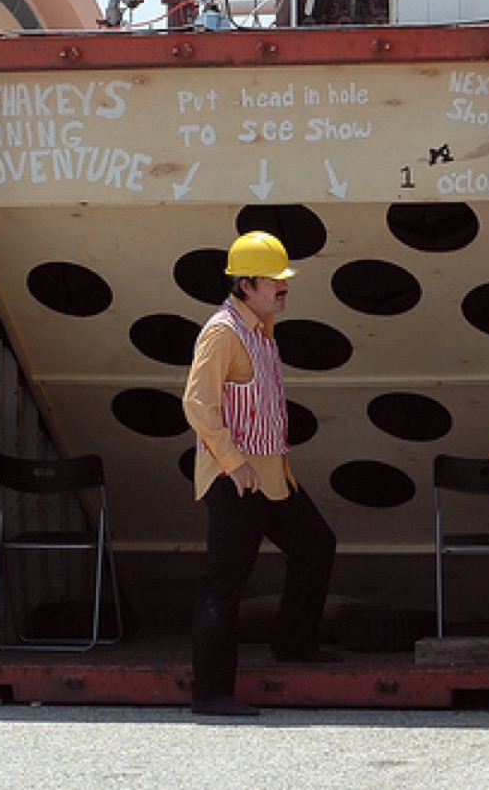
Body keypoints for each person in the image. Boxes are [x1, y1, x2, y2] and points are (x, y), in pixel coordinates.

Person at [183, 231, 339, 717]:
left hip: (271, 475)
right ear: (246, 284)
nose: (283, 287)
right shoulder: (223, 332)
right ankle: (210, 693)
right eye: (274, 280)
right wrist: (234, 463)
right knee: (224, 584)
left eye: (283, 279)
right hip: (237, 479)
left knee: (315, 544)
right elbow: (196, 404)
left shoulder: (261, 327)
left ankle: (293, 642)